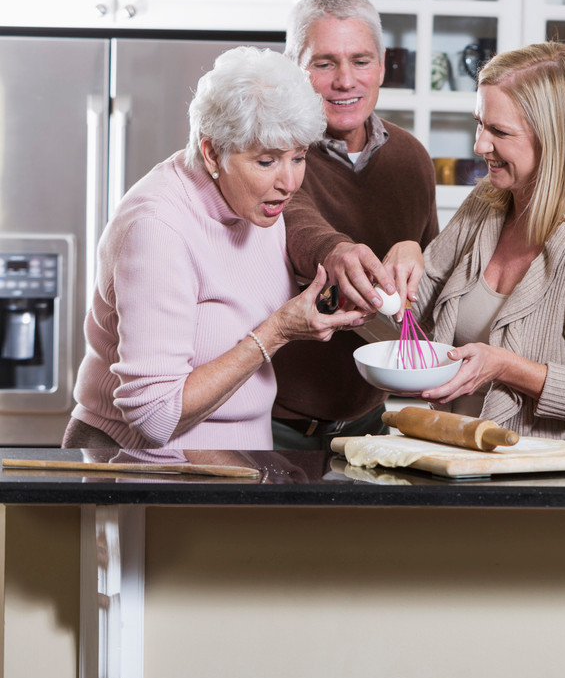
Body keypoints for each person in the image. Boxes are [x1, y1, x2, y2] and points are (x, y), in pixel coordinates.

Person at [63, 47, 364, 450]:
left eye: (299, 157)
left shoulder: (256, 203)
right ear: (211, 152)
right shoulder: (157, 228)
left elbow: (243, 297)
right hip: (146, 469)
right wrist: (275, 332)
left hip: (239, 462)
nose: (289, 181)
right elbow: (156, 417)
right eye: (267, 161)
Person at [408, 41, 565, 448]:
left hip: (543, 495)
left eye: (499, 131)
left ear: (556, 139)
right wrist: (401, 255)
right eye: (479, 123)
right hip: (456, 467)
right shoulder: (486, 204)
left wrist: (508, 367)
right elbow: (409, 315)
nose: (480, 145)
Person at [271, 0, 439, 448]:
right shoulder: (271, 151)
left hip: (371, 423)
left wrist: (419, 253)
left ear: (382, 64)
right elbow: (294, 220)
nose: (346, 80)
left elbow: (432, 290)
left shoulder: (411, 159)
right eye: (324, 63)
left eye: (361, 61)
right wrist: (337, 251)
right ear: (293, 69)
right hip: (272, 426)